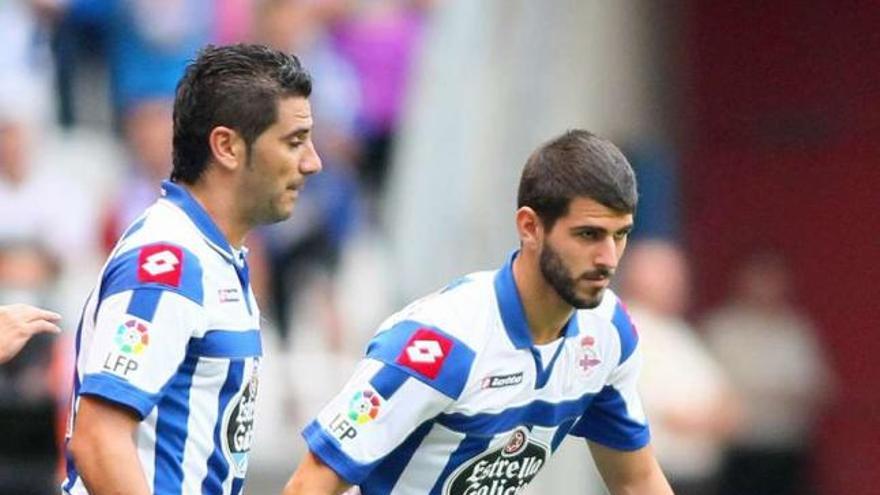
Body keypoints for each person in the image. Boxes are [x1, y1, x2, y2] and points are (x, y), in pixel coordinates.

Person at [283, 129, 672, 494]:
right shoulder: (440, 343)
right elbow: (311, 482)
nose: (608, 258)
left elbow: (637, 483)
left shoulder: (607, 332)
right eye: (588, 234)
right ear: (530, 227)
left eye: (620, 235)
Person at [63, 43, 321, 495]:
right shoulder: (169, 264)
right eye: (294, 141)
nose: (311, 162)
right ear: (226, 147)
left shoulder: (218, 257)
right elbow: (98, 439)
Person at [702, 251, 831, 495]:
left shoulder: (795, 330)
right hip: (739, 450)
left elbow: (818, 386)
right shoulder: (722, 329)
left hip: (788, 446)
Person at [619, 240, 739, 495]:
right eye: (669, 276)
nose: (679, 284)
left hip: (698, 475)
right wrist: (713, 421)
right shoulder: (627, 333)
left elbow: (729, 402)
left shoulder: (680, 332)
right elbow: (673, 416)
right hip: (657, 477)